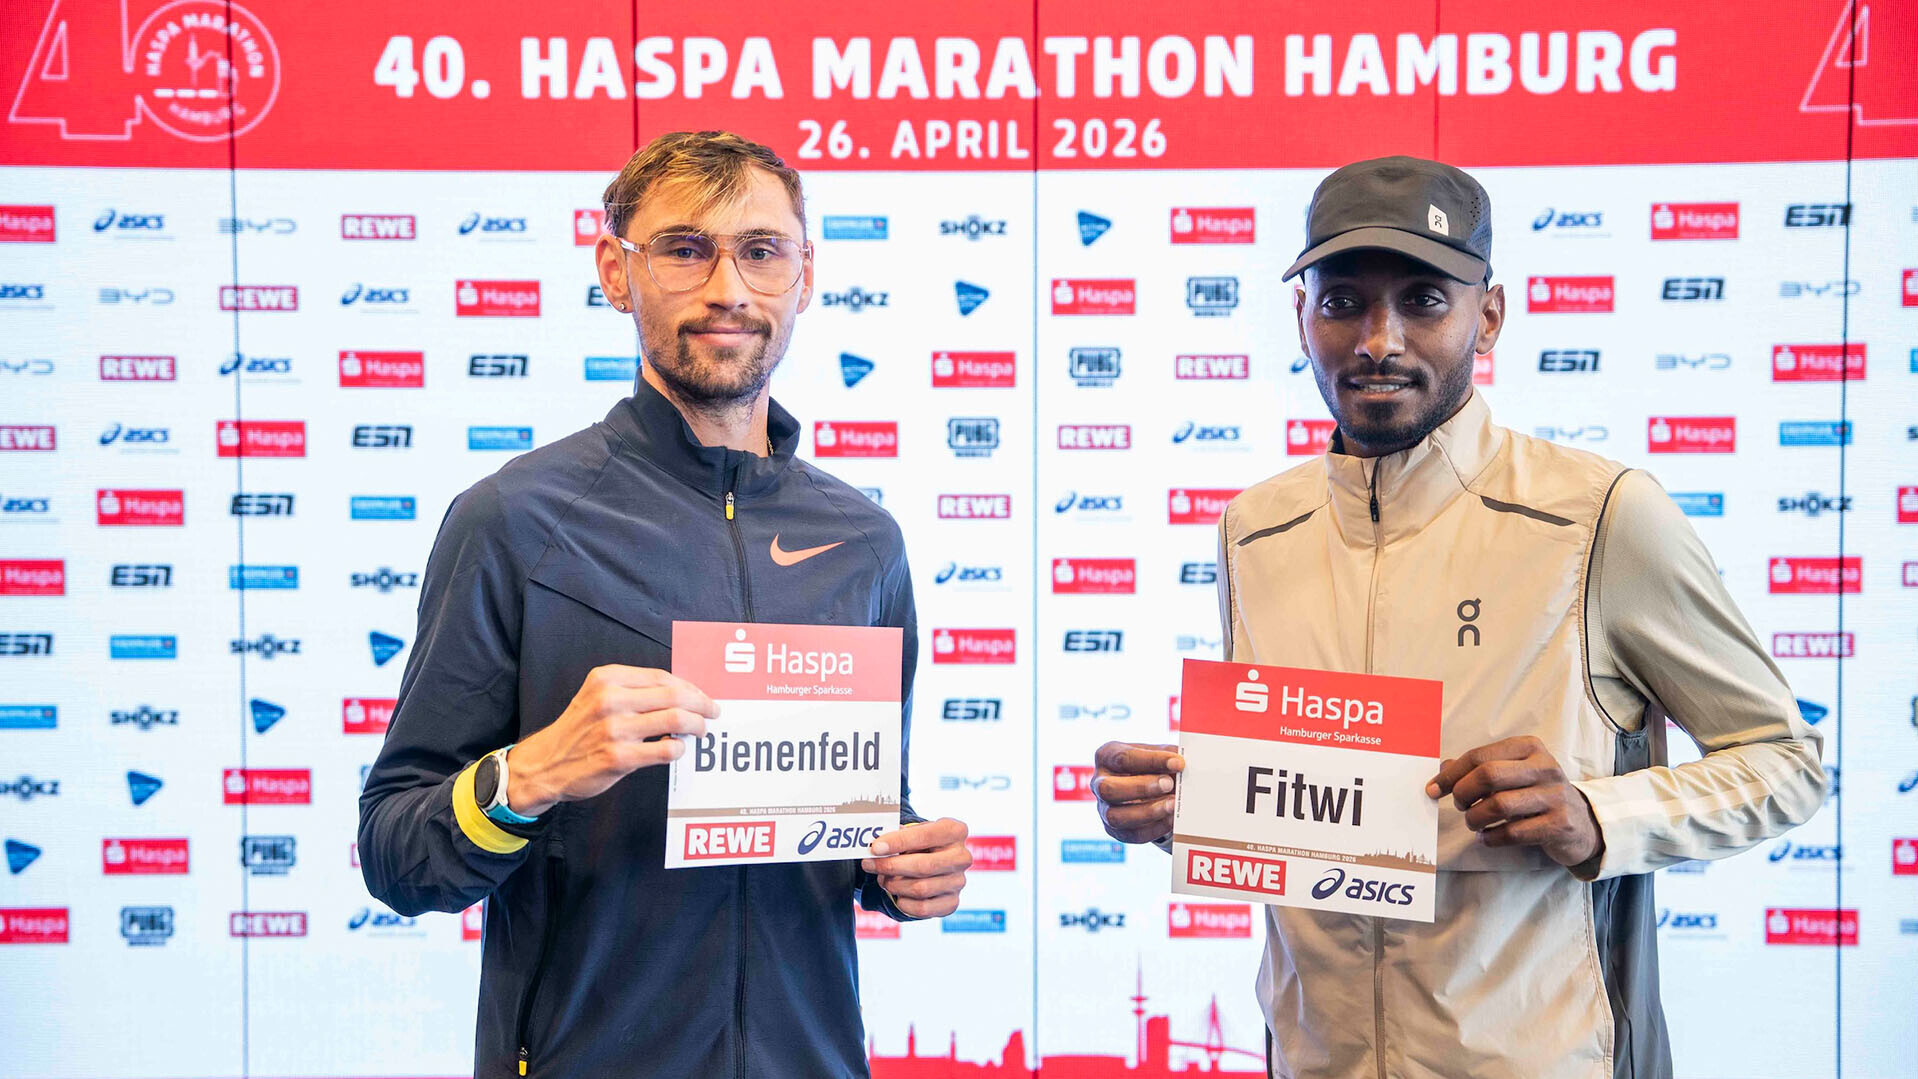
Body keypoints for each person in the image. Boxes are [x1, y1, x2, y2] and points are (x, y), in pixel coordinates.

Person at [1090, 156, 1826, 1079]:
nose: (1379, 340)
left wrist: (1597, 814)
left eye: (1426, 301)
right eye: (1344, 300)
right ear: (1301, 315)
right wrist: (1181, 810)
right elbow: (1313, 807)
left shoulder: (1599, 515)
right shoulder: (1254, 528)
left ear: (1489, 317)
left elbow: (1787, 765)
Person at [358, 130, 971, 1079]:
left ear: (805, 276)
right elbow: (395, 854)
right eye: (686, 248)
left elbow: (849, 814)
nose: (728, 288)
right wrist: (528, 774)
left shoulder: (865, 543)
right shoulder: (516, 521)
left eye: (761, 251)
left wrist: (897, 864)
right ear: (616, 269)